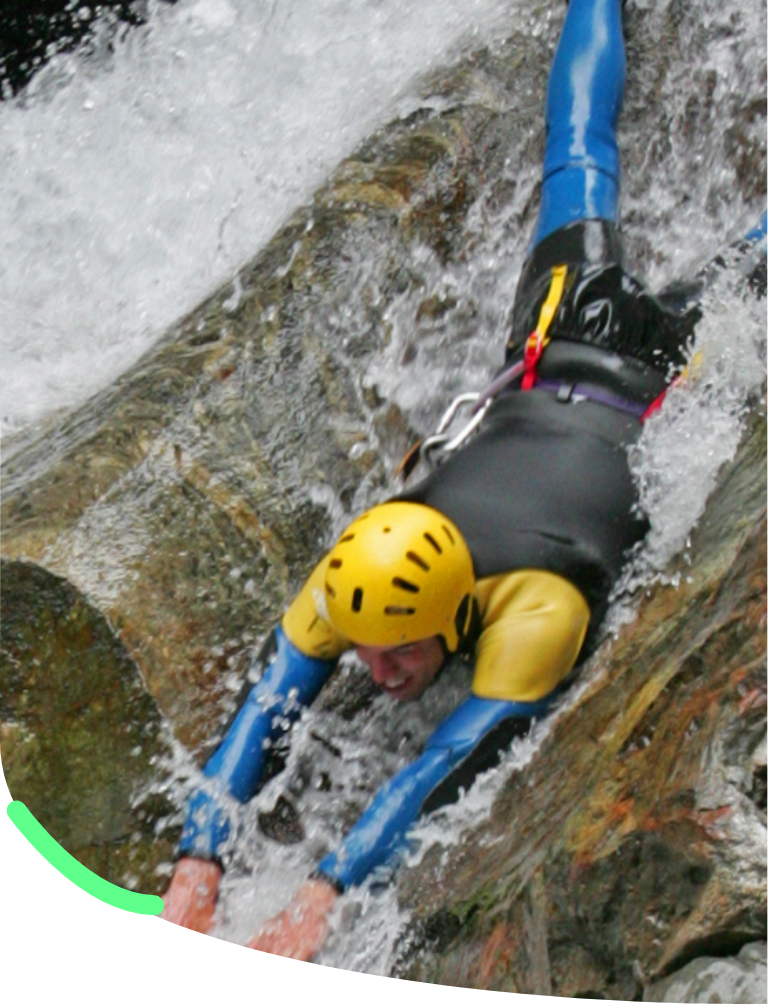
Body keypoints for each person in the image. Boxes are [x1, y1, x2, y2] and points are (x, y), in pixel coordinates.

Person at [160, 0, 768, 957]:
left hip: (659, 376)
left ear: (455, 615)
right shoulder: (360, 574)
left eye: (396, 654)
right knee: (574, 145)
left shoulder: (538, 612)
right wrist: (198, 858)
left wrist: (326, 889)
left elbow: (445, 764)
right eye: (364, 649)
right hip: (556, 331)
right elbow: (271, 701)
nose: (377, 671)